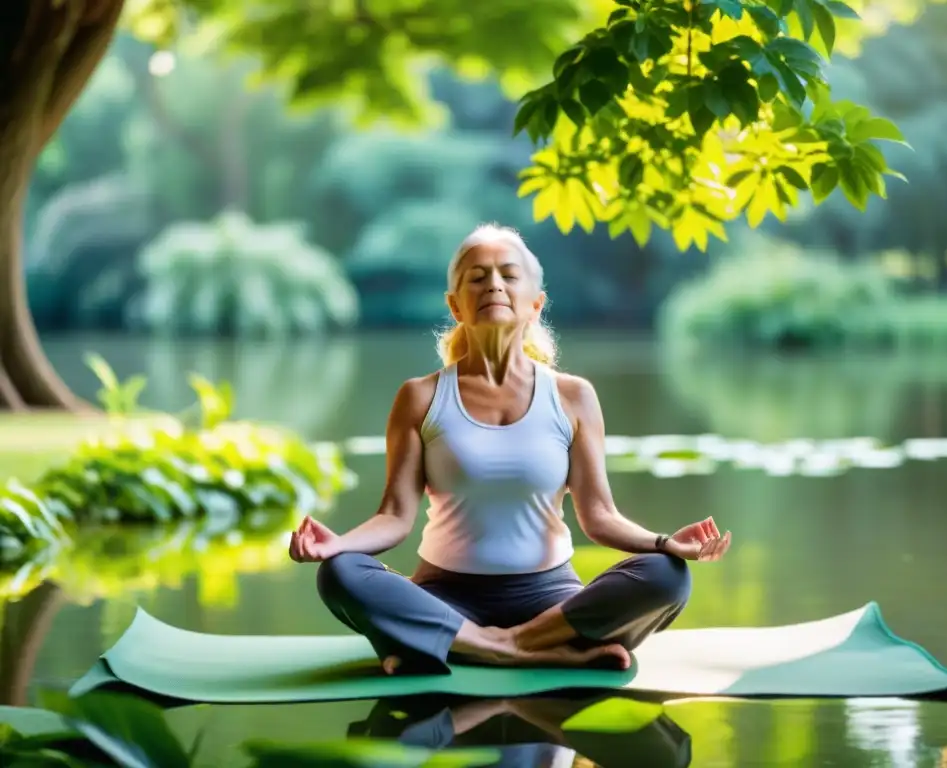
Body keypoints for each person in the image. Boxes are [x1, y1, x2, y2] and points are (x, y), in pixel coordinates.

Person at [288, 223, 732, 675]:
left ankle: (466, 645)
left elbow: (599, 516)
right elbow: (394, 516)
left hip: (550, 599)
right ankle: (524, 650)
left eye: (508, 274)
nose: (494, 284)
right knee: (341, 574)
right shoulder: (420, 397)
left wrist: (664, 543)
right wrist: (338, 545)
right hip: (445, 594)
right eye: (477, 277)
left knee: (666, 576)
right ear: (455, 305)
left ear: (535, 304)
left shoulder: (573, 397)